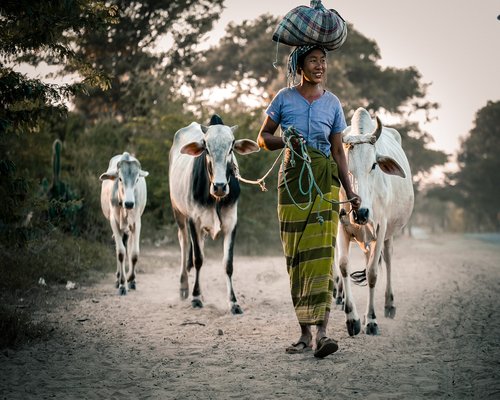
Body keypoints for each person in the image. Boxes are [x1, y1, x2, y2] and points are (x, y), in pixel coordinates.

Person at [257, 44, 361, 358]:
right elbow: (263, 138)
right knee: (297, 259)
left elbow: (338, 152)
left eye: (323, 60)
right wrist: (285, 139)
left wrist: (351, 192)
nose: (319, 66)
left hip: (324, 184)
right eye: (313, 60)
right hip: (291, 183)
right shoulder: (283, 98)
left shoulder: (333, 103)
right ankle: (303, 333)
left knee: (322, 255)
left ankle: (323, 333)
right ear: (299, 65)